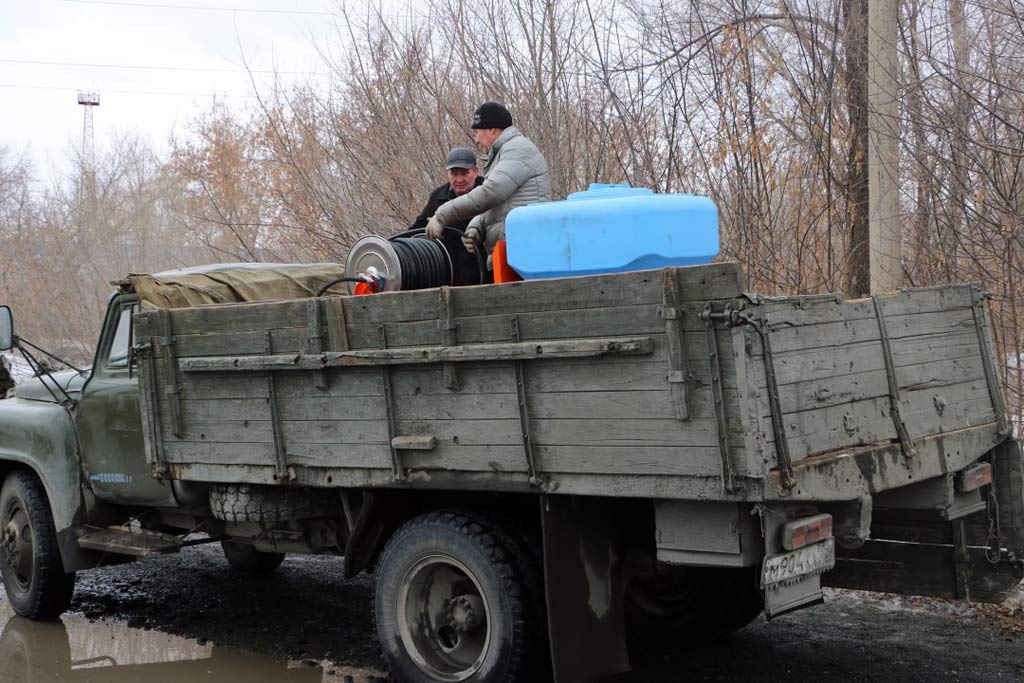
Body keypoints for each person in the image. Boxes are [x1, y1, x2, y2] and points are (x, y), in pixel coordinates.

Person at [426, 102, 551, 261]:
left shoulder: (518, 150)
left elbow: (491, 193)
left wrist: (442, 216)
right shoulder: (505, 152)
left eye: (478, 132)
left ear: (492, 130)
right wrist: (477, 226)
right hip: (514, 246)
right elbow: (501, 203)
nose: (477, 140)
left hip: (526, 248)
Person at [408, 147, 485, 285]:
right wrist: (391, 246)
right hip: (450, 279)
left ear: (475, 171)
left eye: (465, 173)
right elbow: (417, 228)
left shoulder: (489, 192)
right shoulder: (438, 198)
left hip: (487, 275)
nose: (459, 179)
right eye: (454, 174)